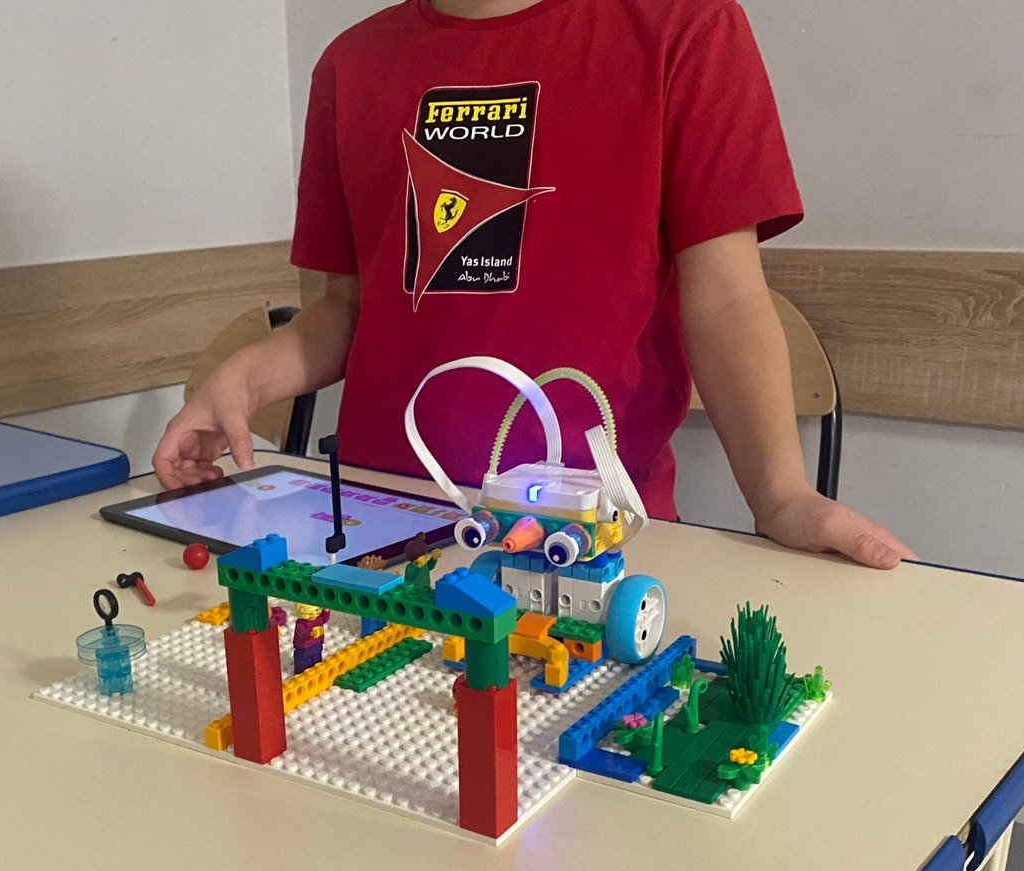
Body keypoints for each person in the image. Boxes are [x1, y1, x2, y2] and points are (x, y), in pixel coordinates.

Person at [153, 0, 912, 570]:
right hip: (380, 533)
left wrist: (780, 495)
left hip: (591, 539)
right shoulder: (348, 67)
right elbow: (345, 309)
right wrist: (243, 379)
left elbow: (727, 299)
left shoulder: (686, 28)